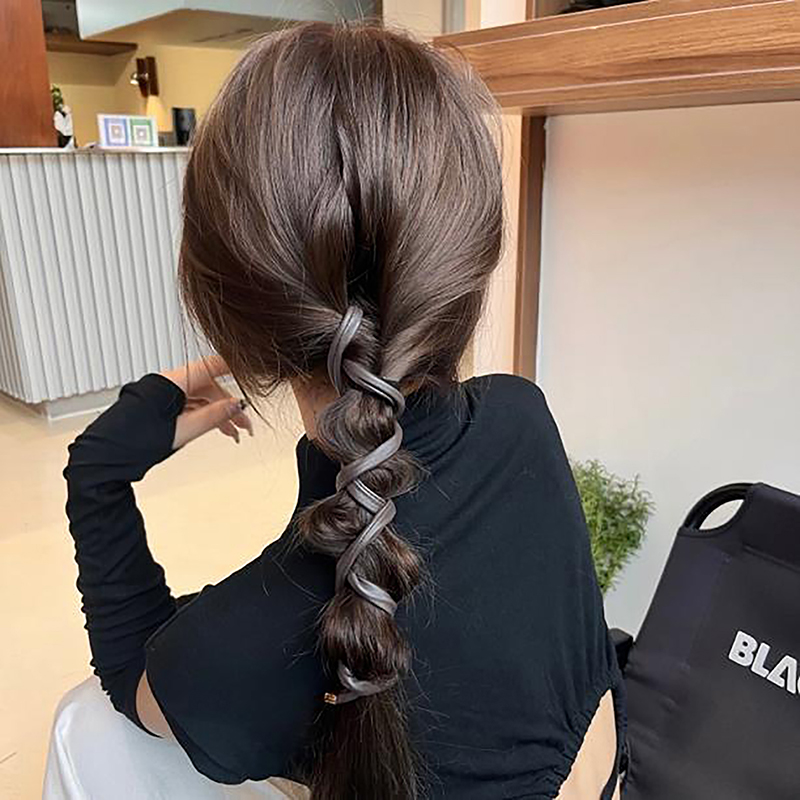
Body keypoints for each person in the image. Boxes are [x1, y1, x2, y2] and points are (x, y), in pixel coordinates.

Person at [53, 20, 624, 800]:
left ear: (230, 314)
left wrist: (97, 474)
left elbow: (133, 677)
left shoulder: (235, 655)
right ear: (468, 263)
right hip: (608, 775)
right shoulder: (520, 419)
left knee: (82, 724)